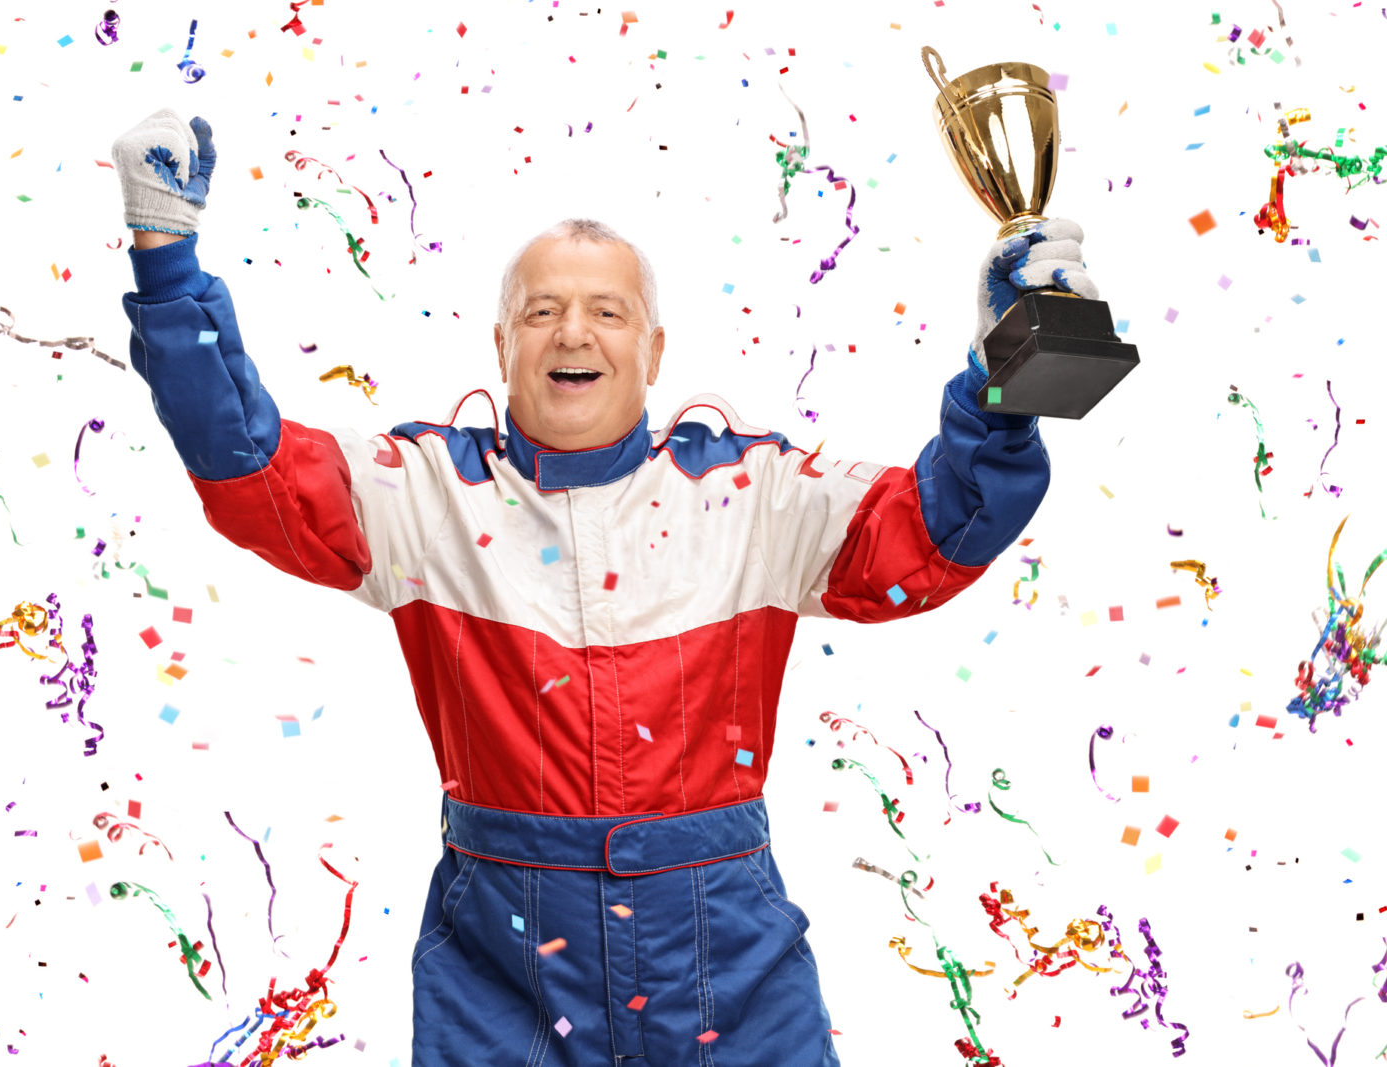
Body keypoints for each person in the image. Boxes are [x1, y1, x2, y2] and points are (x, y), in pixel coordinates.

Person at [114, 108, 1091, 1066]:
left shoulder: (753, 494)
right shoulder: (420, 493)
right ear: (501, 346)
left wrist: (1012, 368)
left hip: (730, 963)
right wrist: (166, 262)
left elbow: (935, 534)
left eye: (605, 310)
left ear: (653, 351)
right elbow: (253, 474)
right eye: (540, 310)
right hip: (503, 969)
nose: (571, 331)